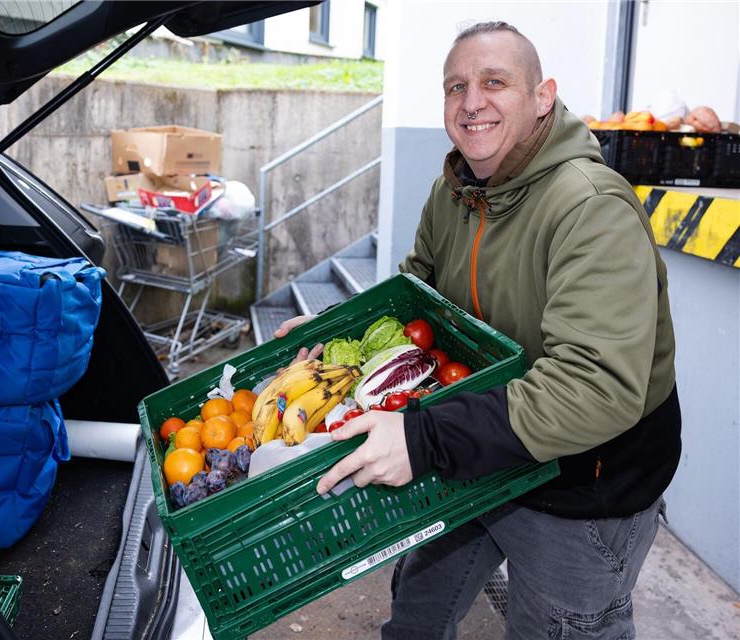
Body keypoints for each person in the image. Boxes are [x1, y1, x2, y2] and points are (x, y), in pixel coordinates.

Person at [275, 21, 680, 639]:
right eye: (455, 86)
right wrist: (342, 333)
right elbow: (418, 293)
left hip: (580, 483)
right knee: (417, 611)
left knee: (558, 626)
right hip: (478, 445)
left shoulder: (591, 208)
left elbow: (595, 388)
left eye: (495, 82)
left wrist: (426, 438)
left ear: (542, 96)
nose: (471, 102)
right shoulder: (456, 191)